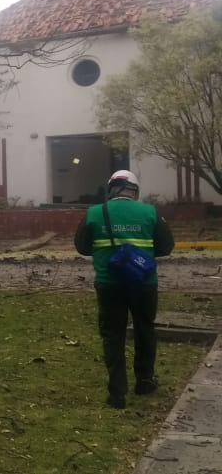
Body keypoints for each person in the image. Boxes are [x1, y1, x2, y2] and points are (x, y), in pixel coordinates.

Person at [74, 170, 174, 409]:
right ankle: (145, 381)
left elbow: (82, 247)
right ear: (135, 191)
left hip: (109, 284)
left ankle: (117, 393)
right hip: (144, 283)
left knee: (112, 335)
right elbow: (166, 246)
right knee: (145, 329)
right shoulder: (150, 212)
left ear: (111, 190)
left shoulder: (95, 213)